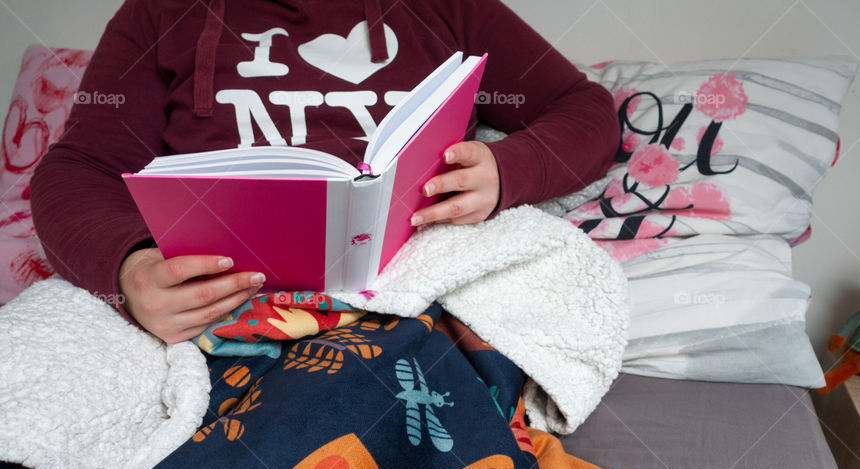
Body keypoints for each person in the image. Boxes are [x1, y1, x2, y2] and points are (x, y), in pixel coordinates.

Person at [32, 0, 619, 343]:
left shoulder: (445, 6)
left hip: (405, 301)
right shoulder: (161, 13)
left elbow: (584, 109)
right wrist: (129, 270)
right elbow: (80, 168)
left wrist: (505, 167)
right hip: (219, 301)